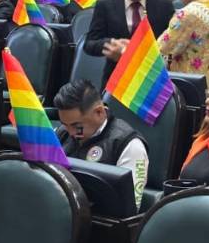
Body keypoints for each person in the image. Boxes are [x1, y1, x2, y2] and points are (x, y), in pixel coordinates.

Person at [53, 79, 148, 208]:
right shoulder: (63, 133)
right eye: (65, 124)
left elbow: (130, 208)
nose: (70, 132)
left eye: (76, 125)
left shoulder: (130, 146)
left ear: (99, 112)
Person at [84, 0, 176, 86]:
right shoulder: (105, 4)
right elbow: (89, 44)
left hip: (151, 82)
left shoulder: (164, 6)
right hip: (116, 80)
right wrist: (111, 44)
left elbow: (171, 46)